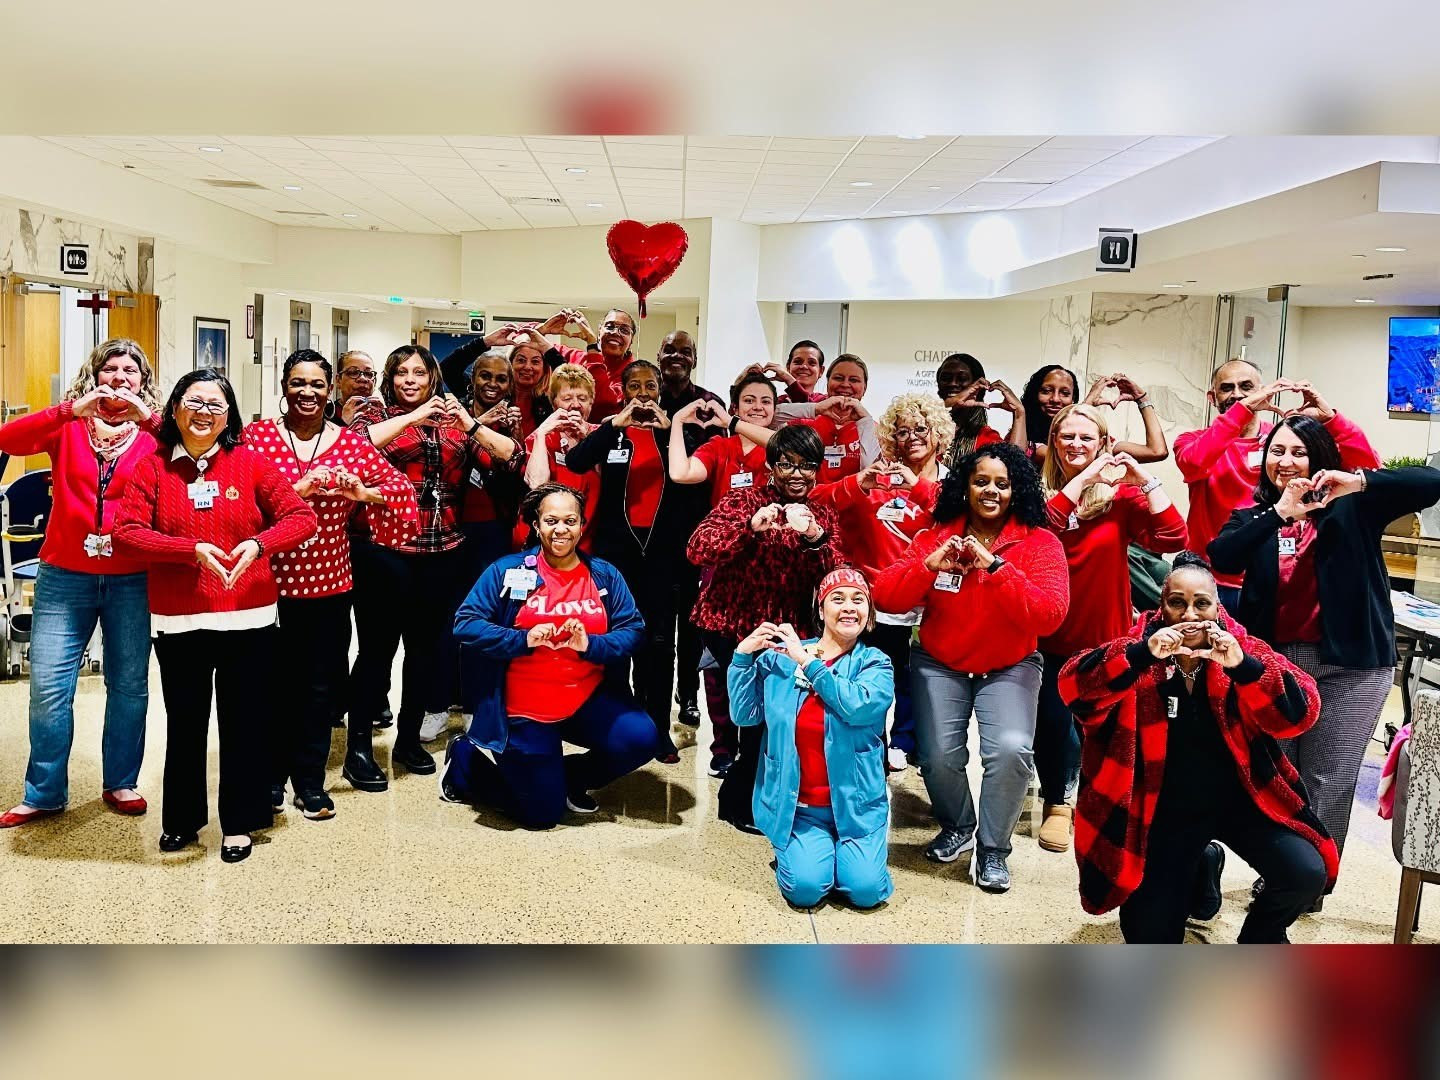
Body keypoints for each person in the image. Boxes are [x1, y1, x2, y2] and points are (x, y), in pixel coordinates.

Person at [1209, 419, 1440, 891]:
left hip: (1354, 666)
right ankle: (1284, 870)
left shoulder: (1355, 506)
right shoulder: (1256, 514)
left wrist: (1357, 480)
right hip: (1278, 666)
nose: (1286, 461)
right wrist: (1279, 514)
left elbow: (1430, 482)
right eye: (1277, 451)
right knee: (1280, 774)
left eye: (1298, 451)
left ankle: (1313, 880)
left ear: (1318, 458)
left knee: (1330, 777)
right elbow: (1223, 557)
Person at [1058, 552, 1335, 942]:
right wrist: (1141, 656)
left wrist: (1244, 669)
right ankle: (1204, 863)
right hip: (1163, 810)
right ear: (1162, 605)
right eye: (1178, 602)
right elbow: (1072, 687)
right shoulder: (1138, 647)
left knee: (1305, 873)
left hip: (1239, 799)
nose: (1190, 614)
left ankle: (1261, 935)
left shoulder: (1242, 648)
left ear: (1217, 607)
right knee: (1150, 939)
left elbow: (1300, 714)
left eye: (1201, 603)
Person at [114, 370, 317, 862]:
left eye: (216, 404)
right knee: (185, 725)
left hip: (249, 618)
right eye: (194, 401)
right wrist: (190, 550)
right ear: (175, 410)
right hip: (181, 620)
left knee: (245, 724)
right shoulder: (152, 468)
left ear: (229, 416)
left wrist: (258, 542)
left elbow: (300, 517)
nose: (204, 412)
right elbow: (126, 531)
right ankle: (182, 820)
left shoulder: (251, 464)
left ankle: (240, 823)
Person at [873, 443, 1069, 891]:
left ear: (1017, 489)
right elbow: (886, 595)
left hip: (1010, 664)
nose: (991, 491)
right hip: (940, 661)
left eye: (1002, 483)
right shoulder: (937, 533)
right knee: (938, 757)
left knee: (1012, 750)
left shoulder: (1041, 543)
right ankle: (958, 824)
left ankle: (994, 849)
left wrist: (997, 568)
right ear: (965, 485)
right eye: (981, 481)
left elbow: (1050, 615)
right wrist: (928, 566)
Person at [243, 350, 417, 820]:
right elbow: (236, 500)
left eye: (317, 385)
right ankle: (270, 779)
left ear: (331, 390)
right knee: (271, 687)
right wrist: (297, 492)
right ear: (283, 386)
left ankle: (310, 780)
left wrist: (361, 493)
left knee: (320, 689)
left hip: (329, 583)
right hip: (266, 584)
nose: (307, 393)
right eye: (298, 383)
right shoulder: (257, 438)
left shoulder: (350, 443)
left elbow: (403, 493)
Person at [0, 339, 161, 829]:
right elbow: (9, 439)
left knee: (129, 685)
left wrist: (147, 415)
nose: (118, 377)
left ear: (142, 380)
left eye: (130, 371)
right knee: (48, 687)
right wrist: (71, 407)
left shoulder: (154, 434)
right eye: (109, 369)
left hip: (132, 576)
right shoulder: (68, 426)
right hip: (64, 576)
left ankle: (121, 781)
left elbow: (188, 448)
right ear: (94, 377)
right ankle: (44, 792)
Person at [346, 345, 519, 787]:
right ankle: (359, 748)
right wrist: (414, 416)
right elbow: (356, 447)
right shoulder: (373, 413)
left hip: (442, 552)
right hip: (385, 551)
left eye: (419, 373)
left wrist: (470, 423)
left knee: (425, 651)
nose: (410, 380)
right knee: (376, 653)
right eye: (401, 372)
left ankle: (407, 739)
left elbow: (508, 456)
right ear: (391, 377)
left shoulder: (453, 420)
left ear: (432, 377)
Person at [441, 483, 655, 828]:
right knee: (540, 817)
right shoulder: (507, 571)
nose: (561, 529)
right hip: (523, 710)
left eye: (570, 521)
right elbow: (465, 624)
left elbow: (633, 629)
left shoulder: (603, 574)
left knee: (643, 738)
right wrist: (522, 639)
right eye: (551, 520)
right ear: (536, 525)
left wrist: (591, 645)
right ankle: (465, 762)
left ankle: (566, 780)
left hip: (583, 700)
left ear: (582, 525)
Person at [1034, 403, 1187, 854]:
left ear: (1102, 444)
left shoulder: (1119, 502)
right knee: (1053, 722)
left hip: (1106, 633)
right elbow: (1048, 524)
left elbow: (1174, 539)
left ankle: (1094, 801)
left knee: (1102, 724)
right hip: (1049, 632)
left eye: (1087, 438)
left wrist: (1146, 482)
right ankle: (1055, 803)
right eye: (1067, 437)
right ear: (1054, 444)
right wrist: (1084, 480)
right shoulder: (1035, 493)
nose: (1076, 445)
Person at [687, 425, 844, 825]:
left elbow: (837, 575)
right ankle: (741, 805)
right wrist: (749, 528)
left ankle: (747, 801)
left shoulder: (822, 513)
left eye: (806, 466)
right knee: (754, 718)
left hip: (785, 636)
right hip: (729, 627)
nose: (796, 474)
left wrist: (812, 536)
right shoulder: (743, 500)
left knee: (773, 721)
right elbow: (697, 548)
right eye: (786, 465)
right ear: (771, 466)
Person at [728, 569, 896, 909]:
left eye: (858, 600)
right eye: (837, 599)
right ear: (820, 610)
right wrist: (742, 657)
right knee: (805, 890)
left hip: (857, 808)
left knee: (866, 892)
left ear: (869, 613)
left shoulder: (876, 663)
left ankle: (847, 856)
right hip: (800, 811)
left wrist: (808, 663)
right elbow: (744, 715)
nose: (849, 608)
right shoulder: (781, 659)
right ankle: (807, 852)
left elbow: (857, 706)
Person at [811, 393, 957, 773]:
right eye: (902, 431)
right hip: (881, 601)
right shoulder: (879, 474)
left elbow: (957, 518)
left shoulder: (951, 483)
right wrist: (858, 482)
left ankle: (909, 742)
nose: (912, 438)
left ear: (938, 432)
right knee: (880, 674)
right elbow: (819, 501)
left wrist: (918, 488)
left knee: (919, 681)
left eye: (921, 428)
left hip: (938, 603)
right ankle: (873, 742)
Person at [564, 359, 693, 760]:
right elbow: (576, 461)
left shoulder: (676, 432)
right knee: (616, 641)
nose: (642, 394)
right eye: (634, 386)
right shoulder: (611, 431)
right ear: (622, 391)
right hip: (616, 556)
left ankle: (657, 727)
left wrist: (668, 430)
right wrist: (615, 424)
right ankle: (619, 722)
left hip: (661, 555)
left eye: (649, 386)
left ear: (660, 390)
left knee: (659, 643)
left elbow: (689, 483)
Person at [1175, 363, 1377, 610]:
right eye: (1227, 388)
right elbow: (1193, 462)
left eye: (1246, 387)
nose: (1237, 395)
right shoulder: (1193, 441)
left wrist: (1332, 420)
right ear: (1212, 397)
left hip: (1276, 576)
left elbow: (1368, 470)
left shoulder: (1283, 444)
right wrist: (1245, 408)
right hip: (1210, 577)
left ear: (1262, 390)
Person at [653, 330, 725, 735]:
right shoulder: (644, 395)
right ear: (659, 355)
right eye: (670, 350)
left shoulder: (707, 402)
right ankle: (655, 697)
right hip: (652, 527)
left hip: (698, 524)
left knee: (693, 621)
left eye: (685, 351)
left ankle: (688, 696)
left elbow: (711, 455)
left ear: (694, 359)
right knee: (660, 621)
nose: (676, 356)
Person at [521, 364, 600, 549]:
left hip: (592, 537)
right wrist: (541, 434)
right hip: (550, 538)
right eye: (567, 398)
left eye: (582, 398)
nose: (575, 404)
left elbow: (612, 482)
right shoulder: (539, 437)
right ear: (554, 402)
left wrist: (588, 441)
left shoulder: (600, 435)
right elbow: (537, 485)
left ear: (591, 402)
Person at [773, 354, 880, 484]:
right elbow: (770, 417)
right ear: (827, 383)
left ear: (864, 388)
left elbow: (873, 475)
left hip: (854, 501)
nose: (845, 384)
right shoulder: (804, 424)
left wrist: (865, 421)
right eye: (838, 378)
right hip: (808, 502)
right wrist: (815, 409)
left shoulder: (873, 429)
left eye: (854, 380)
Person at [537, 307, 636, 421]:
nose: (615, 332)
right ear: (599, 332)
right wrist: (543, 329)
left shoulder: (633, 376)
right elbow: (525, 344)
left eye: (624, 330)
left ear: (631, 340)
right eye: (609, 326)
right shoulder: (575, 357)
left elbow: (601, 401)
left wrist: (592, 346)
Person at [934, 353, 1025, 469]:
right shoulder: (925, 428)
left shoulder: (985, 437)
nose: (953, 383)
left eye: (962, 379)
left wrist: (1019, 413)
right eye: (946, 378)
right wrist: (951, 404)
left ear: (977, 387)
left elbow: (1015, 467)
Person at [332, 350, 383, 425]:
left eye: (368, 374)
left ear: (374, 382)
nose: (363, 378)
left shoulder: (383, 414)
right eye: (353, 373)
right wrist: (344, 423)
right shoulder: (325, 414)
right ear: (339, 380)